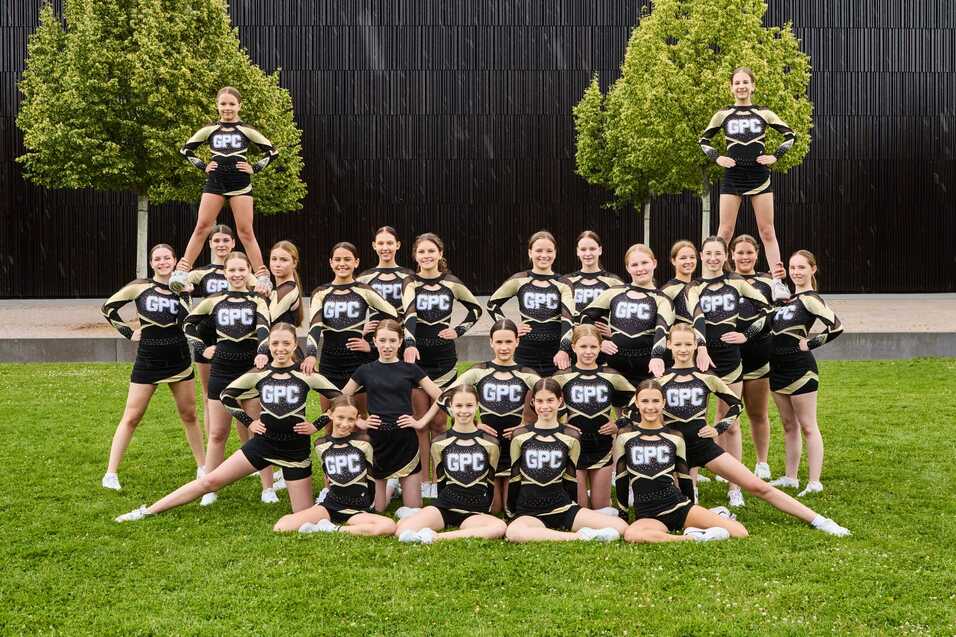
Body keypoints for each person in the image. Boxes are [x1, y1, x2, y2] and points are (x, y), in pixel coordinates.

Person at [625, 323, 850, 536]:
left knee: (758, 486)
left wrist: (718, 429)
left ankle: (820, 520)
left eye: (687, 344)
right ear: (669, 345)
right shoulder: (660, 380)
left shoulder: (707, 377)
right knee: (681, 505)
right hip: (673, 452)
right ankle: (716, 517)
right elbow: (630, 412)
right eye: (678, 344)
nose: (683, 349)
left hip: (703, 446)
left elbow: (736, 405)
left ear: (696, 345)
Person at [115, 324, 338, 522]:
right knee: (209, 482)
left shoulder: (306, 374)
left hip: (295, 451)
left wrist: (316, 424)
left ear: (295, 345)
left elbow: (341, 400)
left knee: (303, 516)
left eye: (286, 343)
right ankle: (147, 511)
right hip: (262, 445)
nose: (280, 348)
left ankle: (340, 505)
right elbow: (226, 395)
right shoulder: (259, 374)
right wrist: (249, 423)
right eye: (275, 343)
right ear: (268, 346)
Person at [100, 244, 204, 490]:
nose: (162, 262)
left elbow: (187, 321)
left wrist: (184, 293)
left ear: (175, 260)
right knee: (132, 417)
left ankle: (202, 466)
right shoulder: (140, 286)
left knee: (189, 415)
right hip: (148, 360)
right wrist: (128, 332)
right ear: (151, 263)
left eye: (167, 258)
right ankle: (110, 473)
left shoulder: (182, 288)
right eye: (157, 259)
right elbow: (108, 308)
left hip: (179, 359)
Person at [682, 236, 771, 506]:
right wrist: (701, 347)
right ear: (701, 255)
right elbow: (695, 318)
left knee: (731, 423)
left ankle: (735, 488)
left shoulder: (736, 282)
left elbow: (767, 311)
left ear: (725, 256)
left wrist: (746, 335)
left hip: (730, 360)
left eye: (718, 253)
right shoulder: (693, 286)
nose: (713, 258)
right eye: (708, 253)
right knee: (694, 423)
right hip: (700, 360)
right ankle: (692, 488)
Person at [183, 251, 274, 505]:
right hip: (221, 371)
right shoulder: (214, 300)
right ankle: (209, 488)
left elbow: (264, 327)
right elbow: (188, 324)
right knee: (217, 433)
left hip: (250, 371)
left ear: (249, 272)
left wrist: (262, 351)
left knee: (258, 430)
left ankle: (268, 488)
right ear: (224, 273)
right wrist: (202, 348)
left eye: (241, 270)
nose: (236, 274)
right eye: (232, 270)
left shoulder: (257, 300)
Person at [698, 66, 795, 302]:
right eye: (737, 83)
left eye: (745, 82)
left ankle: (777, 282)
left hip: (759, 175)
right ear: (731, 87)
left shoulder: (764, 113)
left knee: (767, 230)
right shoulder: (722, 114)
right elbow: (703, 140)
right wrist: (717, 157)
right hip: (733, 175)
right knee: (724, 231)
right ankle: (712, 278)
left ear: (753, 86)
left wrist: (775, 156)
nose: (741, 86)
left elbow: (790, 135)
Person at [171, 87, 278, 295]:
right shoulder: (210, 129)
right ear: (217, 105)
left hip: (240, 184)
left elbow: (272, 152)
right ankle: (182, 272)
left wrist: (255, 168)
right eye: (223, 104)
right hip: (215, 183)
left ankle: (262, 276)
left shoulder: (246, 130)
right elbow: (186, 150)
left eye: (231, 104)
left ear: (239, 106)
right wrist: (202, 166)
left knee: (245, 232)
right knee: (202, 227)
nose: (227, 108)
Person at [401, 232, 483, 499]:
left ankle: (440, 477)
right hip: (416, 358)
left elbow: (476, 309)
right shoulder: (410, 282)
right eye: (421, 252)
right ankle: (424, 479)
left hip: (444, 359)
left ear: (440, 254)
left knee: (439, 422)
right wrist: (410, 343)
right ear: (415, 256)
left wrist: (458, 330)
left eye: (431, 251)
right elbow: (409, 314)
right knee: (420, 422)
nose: (426, 256)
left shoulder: (451, 282)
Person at [617, 380, 748, 543]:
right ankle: (692, 537)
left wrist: (692, 508)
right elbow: (621, 479)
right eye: (645, 401)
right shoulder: (625, 437)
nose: (650, 407)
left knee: (740, 532)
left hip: (677, 506)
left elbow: (684, 478)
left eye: (656, 401)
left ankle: (711, 518)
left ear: (664, 403)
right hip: (647, 513)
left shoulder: (675, 437)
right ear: (636, 403)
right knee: (632, 534)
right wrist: (623, 515)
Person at [504, 379, 629, 542]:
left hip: (562, 507)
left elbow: (570, 478)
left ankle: (590, 520)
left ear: (560, 401)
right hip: (530, 511)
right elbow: (515, 477)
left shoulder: (571, 436)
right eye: (540, 401)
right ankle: (580, 536)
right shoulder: (520, 435)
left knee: (621, 527)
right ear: (533, 402)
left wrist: (575, 509)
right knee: (514, 532)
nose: (545, 406)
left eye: (550, 400)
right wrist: (510, 513)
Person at [340, 320, 444, 516]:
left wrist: (421, 422)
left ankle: (399, 484)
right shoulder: (365, 370)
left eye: (392, 341)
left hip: (405, 441)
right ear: (374, 341)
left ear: (400, 342)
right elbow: (341, 400)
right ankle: (390, 487)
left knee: (414, 510)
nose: (387, 346)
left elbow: (441, 396)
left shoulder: (410, 369)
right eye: (382, 340)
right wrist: (359, 421)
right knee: (376, 509)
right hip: (377, 442)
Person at [768, 250, 844, 496]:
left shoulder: (810, 299)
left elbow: (837, 327)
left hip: (800, 370)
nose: (796, 272)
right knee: (788, 426)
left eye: (801, 267)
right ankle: (790, 478)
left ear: (813, 269)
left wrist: (810, 343)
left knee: (808, 426)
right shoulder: (787, 300)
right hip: (777, 370)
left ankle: (814, 482)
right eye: (793, 268)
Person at [272, 395, 397, 537]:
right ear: (330, 414)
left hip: (357, 510)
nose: (345, 424)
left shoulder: (364, 443)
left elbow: (372, 475)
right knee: (281, 526)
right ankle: (328, 524)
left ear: (357, 419)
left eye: (350, 419)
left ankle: (331, 528)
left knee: (388, 526)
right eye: (340, 417)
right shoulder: (321, 445)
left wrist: (372, 503)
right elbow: (329, 475)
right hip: (330, 505)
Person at [396, 385, 508, 543]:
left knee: (499, 527)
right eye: (459, 405)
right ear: (450, 406)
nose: (464, 411)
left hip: (474, 512)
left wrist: (484, 510)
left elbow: (490, 481)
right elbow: (441, 479)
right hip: (444, 508)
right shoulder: (439, 442)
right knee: (401, 530)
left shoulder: (490, 443)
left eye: (469, 405)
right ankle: (416, 516)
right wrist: (436, 509)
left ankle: (434, 537)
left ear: (477, 406)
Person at [300, 242, 398, 413]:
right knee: (329, 418)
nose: (342, 264)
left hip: (357, 363)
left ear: (356, 262)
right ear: (331, 262)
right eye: (337, 259)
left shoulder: (364, 290)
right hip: (329, 362)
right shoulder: (320, 292)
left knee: (360, 417)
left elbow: (396, 317)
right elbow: (315, 326)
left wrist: (372, 344)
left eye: (347, 259)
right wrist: (310, 354)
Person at [454, 319, 540, 512]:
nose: (504, 347)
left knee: (512, 507)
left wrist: (528, 426)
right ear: (491, 342)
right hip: (486, 446)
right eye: (499, 342)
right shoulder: (479, 371)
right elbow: (446, 397)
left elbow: (553, 403)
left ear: (517, 341)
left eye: (508, 342)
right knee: (494, 509)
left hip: (513, 447)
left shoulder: (526, 373)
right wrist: (473, 423)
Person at [552, 325, 634, 511]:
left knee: (600, 508)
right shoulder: (562, 377)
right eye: (583, 346)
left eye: (593, 347)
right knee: (580, 508)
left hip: (602, 448)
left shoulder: (610, 376)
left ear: (600, 347)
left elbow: (639, 400)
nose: (588, 352)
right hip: (574, 449)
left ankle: (599, 497)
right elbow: (542, 404)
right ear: (573, 347)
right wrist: (560, 426)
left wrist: (620, 423)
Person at [186, 225, 254, 442]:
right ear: (210, 244)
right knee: (210, 395)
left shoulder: (242, 270)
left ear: (233, 243)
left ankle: (246, 450)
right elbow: (177, 282)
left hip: (237, 338)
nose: (221, 244)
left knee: (242, 397)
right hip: (207, 339)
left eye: (226, 240)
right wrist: (183, 286)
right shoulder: (202, 272)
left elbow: (262, 290)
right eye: (217, 241)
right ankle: (213, 444)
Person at [579, 243, 673, 385]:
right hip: (615, 368)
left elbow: (662, 329)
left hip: (648, 368)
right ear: (628, 268)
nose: (640, 268)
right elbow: (584, 316)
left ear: (654, 263)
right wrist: (599, 342)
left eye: (644, 263)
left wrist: (657, 356)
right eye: (634, 265)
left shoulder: (662, 299)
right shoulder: (614, 292)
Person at [487, 230, 575, 376]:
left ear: (555, 253)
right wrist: (510, 328)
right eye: (539, 250)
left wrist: (564, 350)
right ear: (530, 252)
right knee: (526, 390)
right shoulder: (519, 279)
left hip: (556, 353)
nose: (544, 255)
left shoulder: (564, 283)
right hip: (525, 352)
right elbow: (492, 305)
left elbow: (568, 319)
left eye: (549, 251)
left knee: (555, 390)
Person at [730, 234, 775, 479]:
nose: (745, 257)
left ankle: (762, 463)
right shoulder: (725, 281)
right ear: (732, 255)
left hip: (758, 357)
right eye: (740, 252)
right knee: (727, 417)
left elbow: (773, 316)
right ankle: (727, 464)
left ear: (757, 254)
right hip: (729, 359)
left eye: (749, 252)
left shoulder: (768, 282)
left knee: (758, 413)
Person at [356, 226, 415, 312]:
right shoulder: (363, 278)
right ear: (374, 245)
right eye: (380, 243)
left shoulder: (410, 276)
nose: (385, 248)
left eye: (389, 243)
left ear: (398, 245)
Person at [564, 230, 623, 313]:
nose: (588, 253)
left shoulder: (614, 282)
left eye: (592, 249)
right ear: (577, 251)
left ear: (600, 250)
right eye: (583, 249)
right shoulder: (567, 281)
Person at [267, 240, 303, 329]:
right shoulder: (282, 289)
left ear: (294, 263)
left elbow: (267, 320)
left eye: (284, 260)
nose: (277, 264)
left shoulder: (288, 289)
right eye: (274, 259)